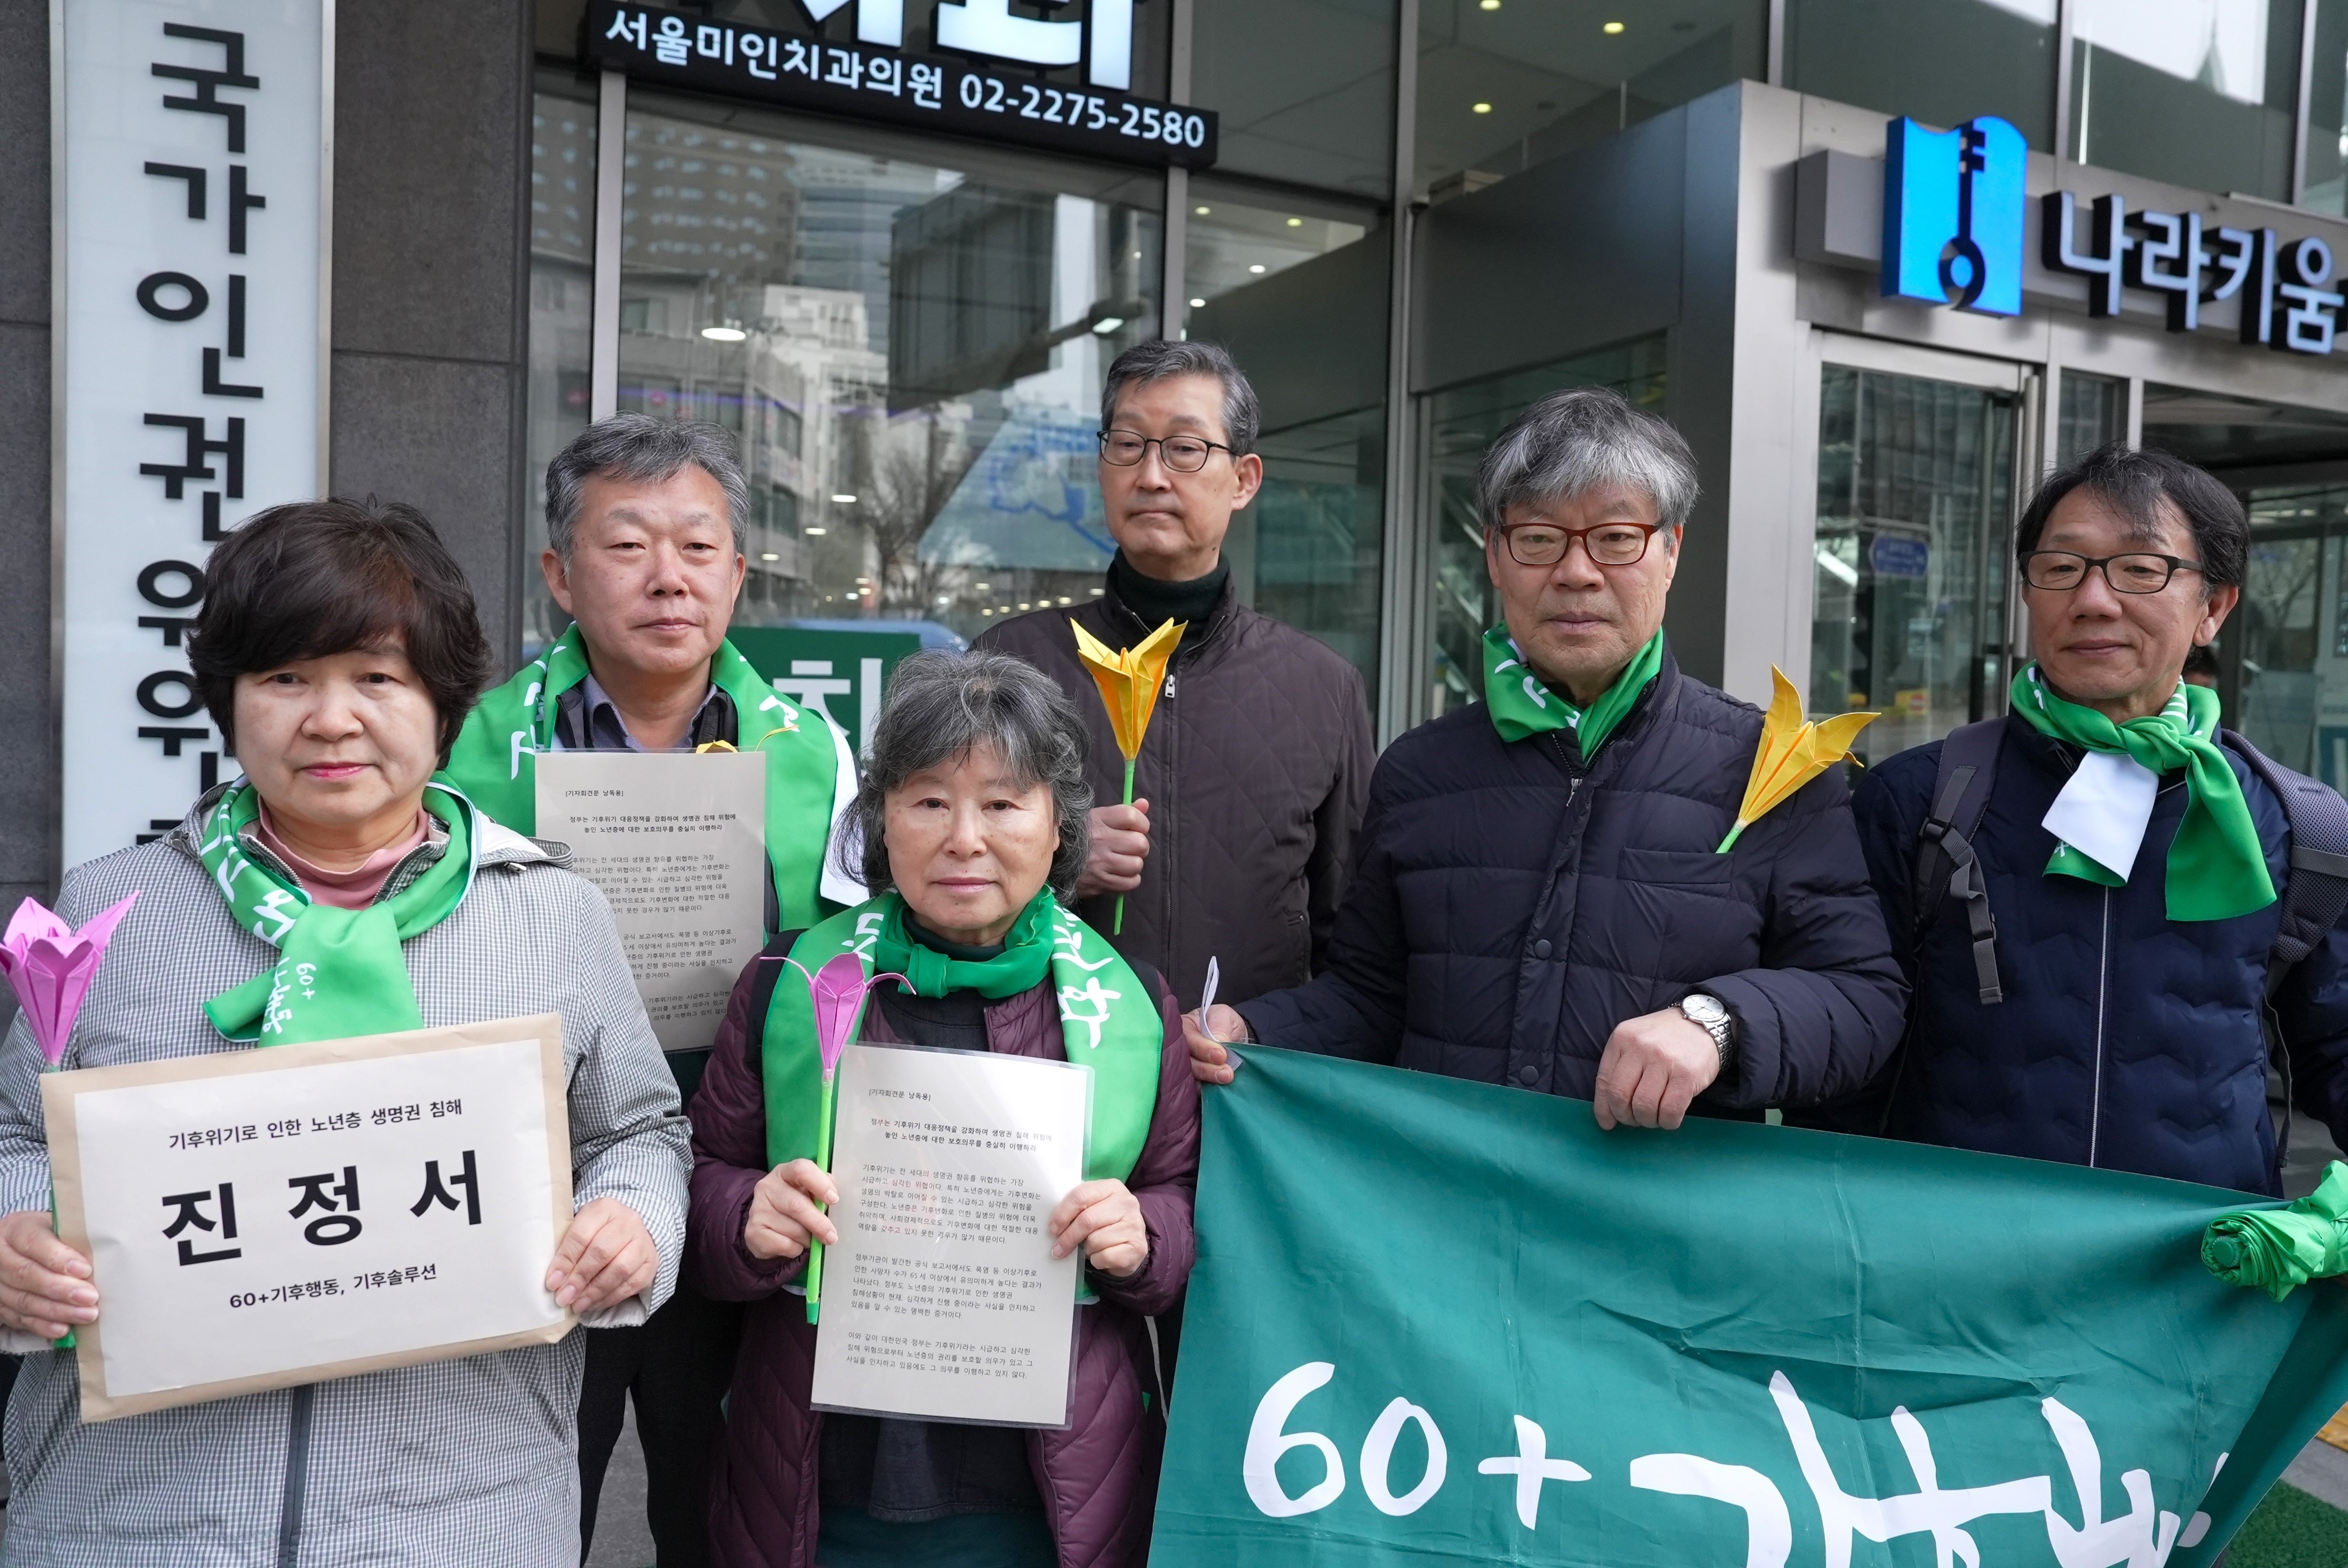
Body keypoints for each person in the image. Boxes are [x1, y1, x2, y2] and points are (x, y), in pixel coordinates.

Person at [0, 498, 688, 1566]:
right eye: (285, 678)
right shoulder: (109, 914)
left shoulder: (551, 915)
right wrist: (13, 1236)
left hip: (462, 1511)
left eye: (377, 677)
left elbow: (641, 1131)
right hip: (134, 1514)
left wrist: (633, 1220)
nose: (331, 719)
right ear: (228, 701)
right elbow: (14, 1137)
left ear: (442, 702)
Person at [1189, 388, 1906, 1129]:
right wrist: (1261, 1031)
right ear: (1495, 557)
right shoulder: (1420, 773)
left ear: (1671, 551)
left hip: (1655, 1226)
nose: (1577, 573)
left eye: (1616, 538)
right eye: (1538, 538)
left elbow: (1864, 1001)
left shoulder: (1770, 770)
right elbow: (1374, 998)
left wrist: (1718, 1024)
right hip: (1447, 1204)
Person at [440, 413, 859, 1565]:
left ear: (736, 571)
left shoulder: (817, 757)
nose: (668, 577)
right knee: (523, 1495)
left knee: (718, 1500)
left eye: (698, 546)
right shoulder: (462, 754)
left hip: (734, 1194)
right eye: (627, 546)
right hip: (536, 1198)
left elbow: (848, 964)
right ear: (559, 575)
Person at [687, 650, 1199, 1568]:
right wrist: (745, 1215)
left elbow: (1180, 1205)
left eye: (1003, 803)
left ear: (1057, 827)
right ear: (882, 822)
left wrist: (1145, 1235)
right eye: (928, 800)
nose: (965, 837)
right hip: (821, 1475)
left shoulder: (1124, 1002)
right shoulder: (792, 979)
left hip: (1041, 1492)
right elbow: (706, 1177)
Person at [1810, 443, 2348, 1193]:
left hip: (2196, 1266)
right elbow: (1843, 1037)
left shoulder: (2301, 827)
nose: (2094, 599)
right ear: (2029, 592)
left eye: (2140, 569)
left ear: (2214, 608)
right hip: (1951, 1258)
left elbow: (2337, 1047)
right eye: (2062, 568)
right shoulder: (1923, 799)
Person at [977, 340, 1373, 1011]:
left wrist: (1265, 1030)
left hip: (1238, 1082)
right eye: (1127, 445)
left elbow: (1357, 951)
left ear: (1244, 479)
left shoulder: (1323, 687)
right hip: (1048, 1075)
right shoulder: (1007, 663)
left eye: (1185, 449)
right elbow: (921, 876)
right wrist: (1056, 861)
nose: (1151, 475)